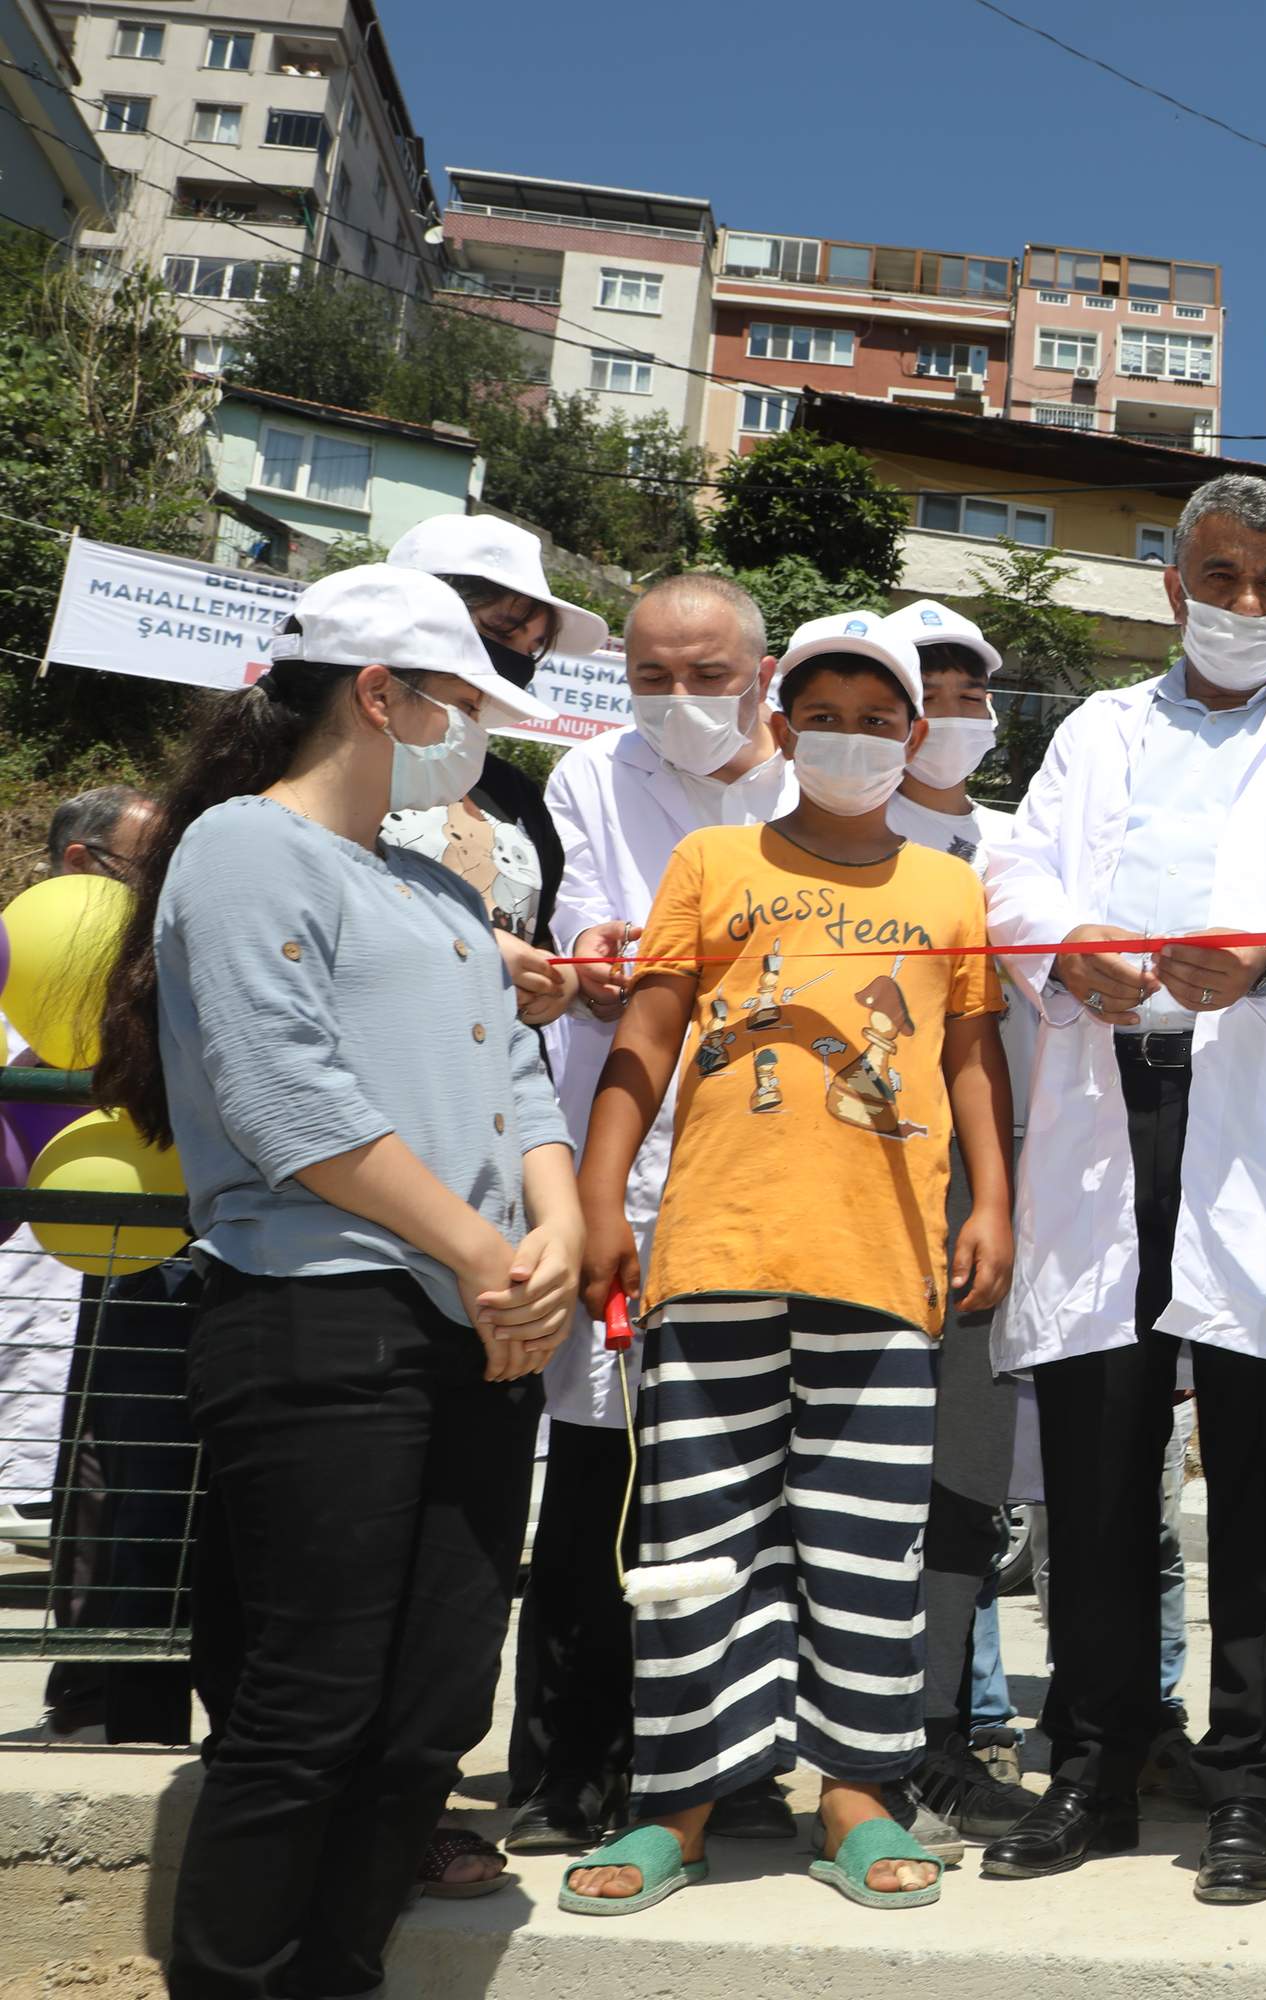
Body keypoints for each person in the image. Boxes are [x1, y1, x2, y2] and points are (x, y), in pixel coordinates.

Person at [92, 565, 580, 1998]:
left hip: (478, 1323)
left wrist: (548, 1244)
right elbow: (286, 1100)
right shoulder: (245, 850)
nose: (475, 730)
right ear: (383, 695)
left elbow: (516, 1078)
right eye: (462, 699)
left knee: (431, 1707)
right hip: (324, 1317)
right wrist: (491, 1255)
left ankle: (338, 1973)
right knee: (305, 1706)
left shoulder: (430, 884)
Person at [980, 475, 1266, 1906]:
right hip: (1113, 1102)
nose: (1248, 605)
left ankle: (1248, 1786)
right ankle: (1091, 1761)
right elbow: (1013, 873)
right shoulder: (1097, 730)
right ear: (1172, 585)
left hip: (1260, 1112)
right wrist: (1067, 940)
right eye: (1222, 577)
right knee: (1097, 1464)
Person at [565, 612, 1011, 1916]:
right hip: (712, 1254)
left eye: (881, 720)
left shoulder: (949, 887)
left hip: (883, 1264)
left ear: (916, 739)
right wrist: (602, 1195)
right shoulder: (711, 862)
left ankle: (858, 1798)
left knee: (868, 1548)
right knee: (698, 1536)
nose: (854, 739)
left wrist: (998, 1207)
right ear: (780, 726)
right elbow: (644, 1037)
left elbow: (973, 1055)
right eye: (826, 714)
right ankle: (681, 1808)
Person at [510, 573, 791, 1857]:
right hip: (620, 1164)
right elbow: (576, 950)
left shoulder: (812, 788)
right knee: (595, 1480)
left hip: (766, 1176)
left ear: (762, 670)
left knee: (746, 1485)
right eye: (651, 677)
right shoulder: (590, 781)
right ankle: (569, 1763)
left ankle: (731, 1763)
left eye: (705, 674)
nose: (677, 702)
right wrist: (600, 961)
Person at [877, 596, 1038, 1848]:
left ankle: (934, 1740)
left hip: (981, 1194)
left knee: (963, 1485)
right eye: (924, 694)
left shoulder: (1025, 845)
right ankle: (824, 1746)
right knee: (831, 1480)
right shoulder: (811, 834)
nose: (951, 716)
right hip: (840, 1195)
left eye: (971, 693)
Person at [383, 514, 613, 1028]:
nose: (515, 660)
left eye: (531, 648)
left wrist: (569, 977)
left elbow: (534, 936)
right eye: (499, 631)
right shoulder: (311, 778)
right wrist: (467, 950)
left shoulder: (515, 794)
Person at [3, 787, 157, 1548]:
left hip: (110, 1280)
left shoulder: (149, 991)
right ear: (80, 862)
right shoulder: (15, 969)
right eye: (149, 866)